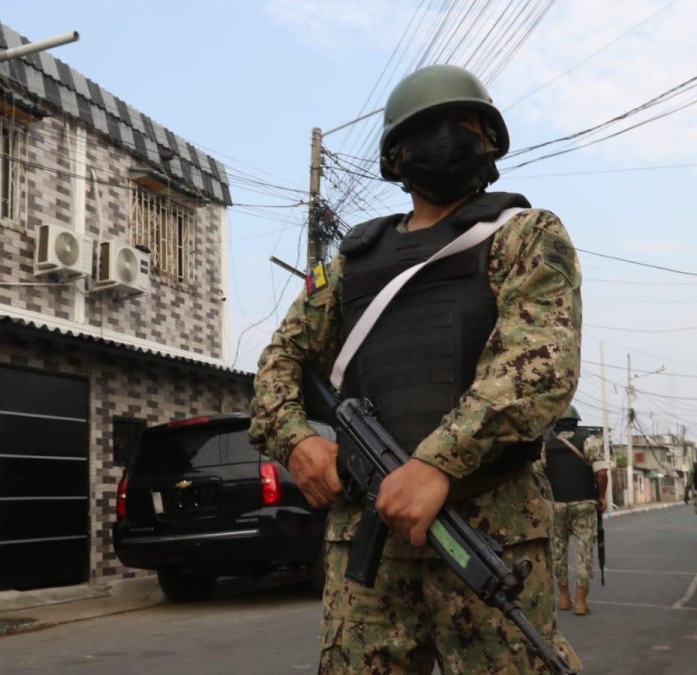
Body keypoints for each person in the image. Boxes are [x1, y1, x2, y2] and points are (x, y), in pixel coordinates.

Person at [249, 64, 583, 673]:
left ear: (489, 143)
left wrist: (435, 464)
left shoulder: (525, 235)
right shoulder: (349, 264)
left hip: (488, 527)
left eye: (466, 123)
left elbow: (541, 364)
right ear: (396, 155)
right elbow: (279, 365)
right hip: (366, 540)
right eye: (429, 127)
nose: (450, 137)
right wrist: (297, 441)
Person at [539, 406, 609, 616]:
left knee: (558, 553)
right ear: (577, 421)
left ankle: (563, 598)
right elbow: (602, 474)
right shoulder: (589, 441)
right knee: (584, 553)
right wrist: (602, 497)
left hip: (556, 505)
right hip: (584, 504)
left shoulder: (546, 444)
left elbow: (538, 474)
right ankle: (580, 601)